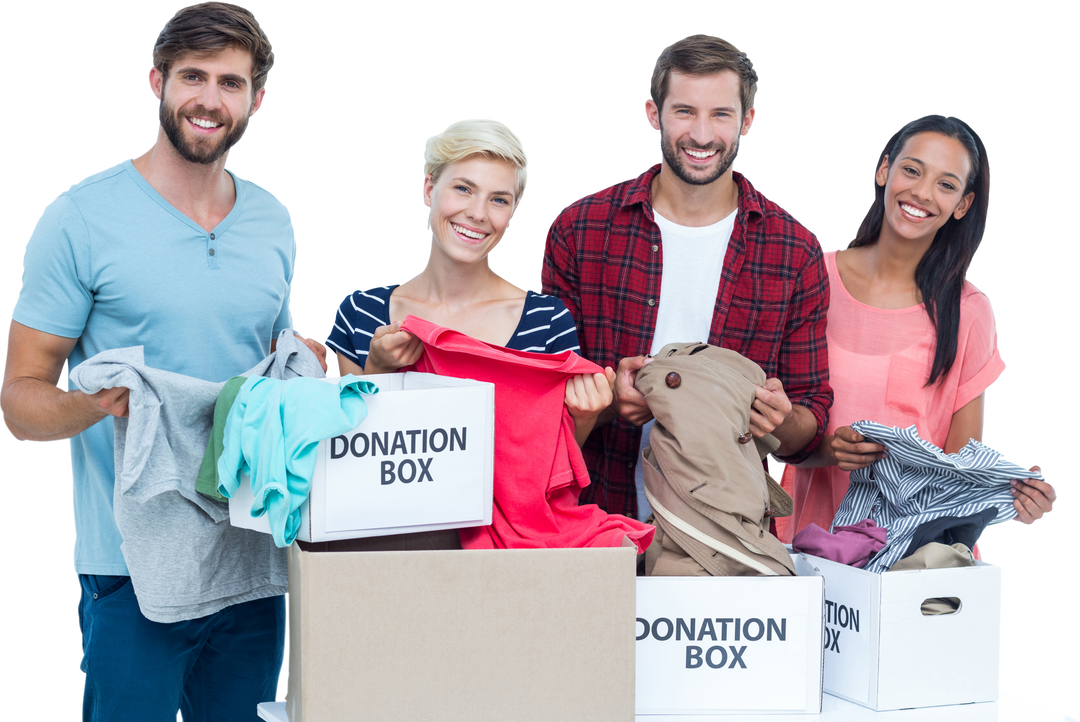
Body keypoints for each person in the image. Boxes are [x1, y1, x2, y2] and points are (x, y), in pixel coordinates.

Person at [0, 3, 326, 719]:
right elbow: (19, 403)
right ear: (156, 81)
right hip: (129, 569)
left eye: (232, 83)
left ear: (257, 101)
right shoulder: (78, 217)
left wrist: (310, 364)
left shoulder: (274, 219)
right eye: (193, 76)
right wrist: (96, 403)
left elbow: (273, 365)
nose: (210, 99)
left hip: (249, 566)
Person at [541, 32, 832, 521]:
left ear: (748, 121)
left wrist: (780, 421)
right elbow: (544, 387)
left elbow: (811, 419)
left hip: (722, 534)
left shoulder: (796, 251)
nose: (701, 135)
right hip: (594, 521)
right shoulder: (580, 228)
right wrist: (610, 402)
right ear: (652, 113)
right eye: (684, 111)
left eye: (720, 114)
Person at [775, 112, 1057, 544]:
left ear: (962, 204)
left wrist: (1016, 491)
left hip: (912, 558)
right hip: (806, 546)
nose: (922, 193)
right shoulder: (813, 279)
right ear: (885, 169)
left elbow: (961, 464)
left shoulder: (969, 312)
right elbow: (767, 428)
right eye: (912, 170)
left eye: (946, 184)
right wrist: (830, 449)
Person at [326, 115, 615, 448]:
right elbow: (351, 454)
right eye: (463, 189)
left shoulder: (547, 322)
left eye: (498, 200)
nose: (478, 213)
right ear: (429, 189)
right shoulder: (359, 313)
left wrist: (585, 417)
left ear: (513, 213)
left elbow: (551, 468)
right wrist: (378, 368)